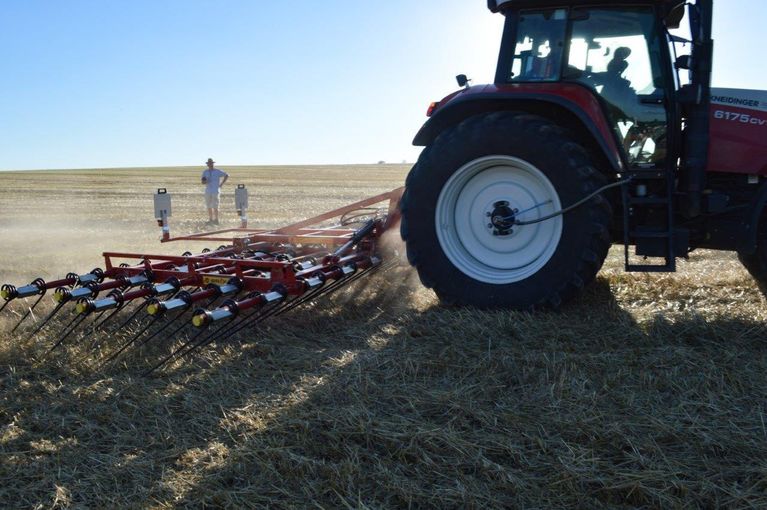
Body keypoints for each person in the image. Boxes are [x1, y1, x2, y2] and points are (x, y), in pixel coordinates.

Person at [200, 158, 228, 224]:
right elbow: (202, 182)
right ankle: (210, 219)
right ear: (207, 164)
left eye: (211, 163)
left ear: (213, 163)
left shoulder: (217, 171)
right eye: (209, 163)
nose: (210, 164)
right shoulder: (205, 172)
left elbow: (226, 175)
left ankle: (216, 220)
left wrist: (221, 184)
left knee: (215, 206)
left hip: (215, 191)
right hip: (208, 191)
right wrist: (205, 181)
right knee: (208, 206)